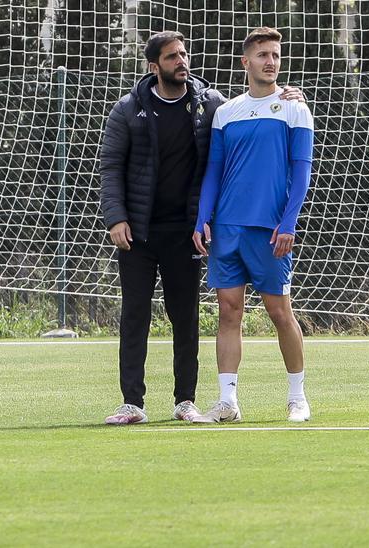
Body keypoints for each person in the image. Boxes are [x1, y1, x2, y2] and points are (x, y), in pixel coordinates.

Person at [98, 31, 304, 425]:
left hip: (186, 230)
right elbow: (110, 166)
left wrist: (290, 96)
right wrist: (116, 217)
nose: (182, 61)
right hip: (137, 230)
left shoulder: (210, 104)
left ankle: (185, 401)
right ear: (153, 66)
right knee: (135, 314)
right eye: (172, 57)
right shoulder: (128, 109)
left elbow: (256, 107)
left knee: (185, 316)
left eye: (184, 54)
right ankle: (132, 404)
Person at [191, 27, 315, 424]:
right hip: (227, 229)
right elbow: (213, 171)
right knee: (228, 312)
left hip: (270, 229)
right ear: (246, 62)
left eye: (276, 55)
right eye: (262, 55)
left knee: (280, 312)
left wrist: (289, 222)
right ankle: (227, 402)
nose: (271, 62)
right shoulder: (227, 112)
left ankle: (297, 397)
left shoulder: (295, 108)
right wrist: (202, 218)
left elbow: (301, 173)